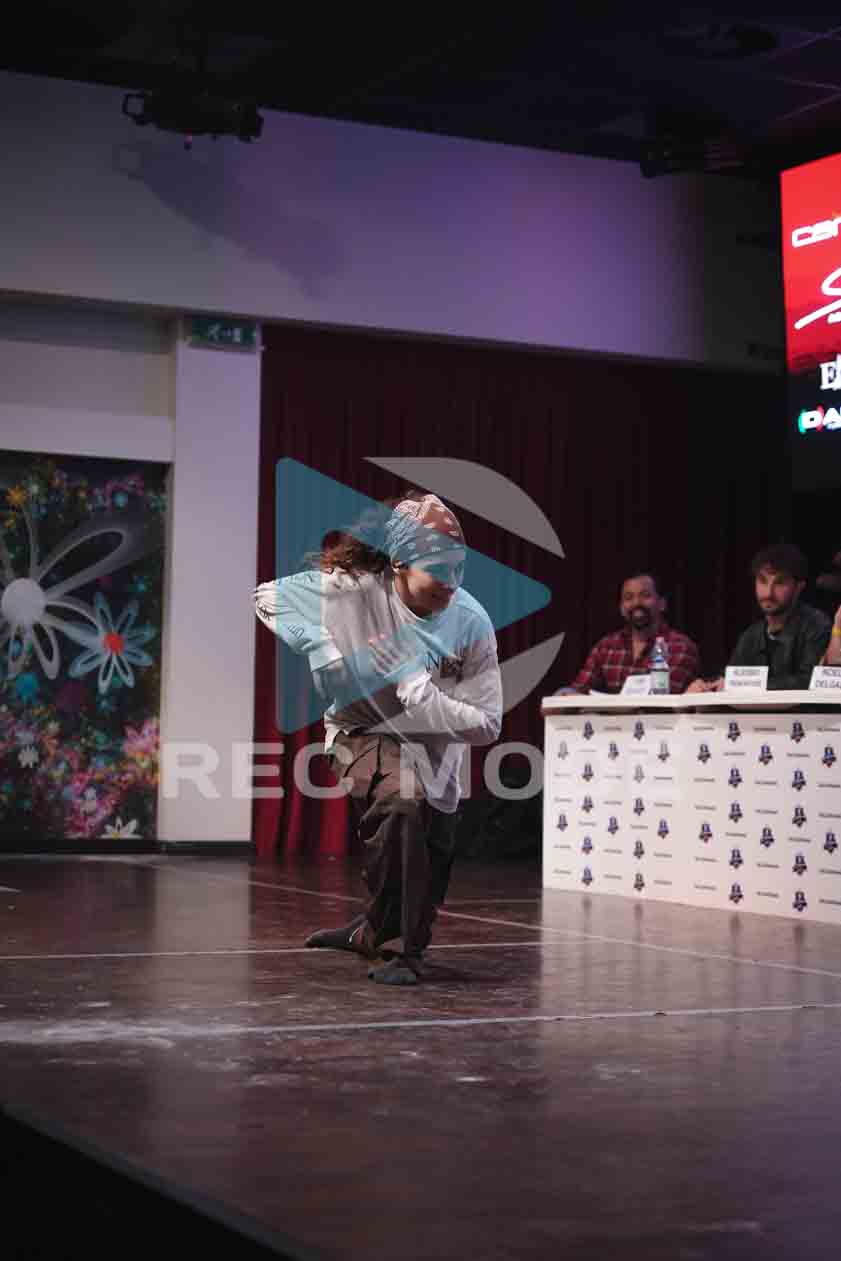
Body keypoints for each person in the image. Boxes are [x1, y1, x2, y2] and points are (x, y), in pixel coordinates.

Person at [254, 490, 502, 986]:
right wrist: (319, 645)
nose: (451, 583)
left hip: (434, 748)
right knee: (402, 798)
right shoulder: (353, 588)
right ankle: (397, 952)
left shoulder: (470, 621)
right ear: (399, 563)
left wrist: (415, 686)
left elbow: (488, 724)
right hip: (360, 728)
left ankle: (370, 932)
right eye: (438, 569)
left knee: (423, 884)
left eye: (459, 569)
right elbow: (267, 596)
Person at [688, 543, 831, 693]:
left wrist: (745, 685)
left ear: (798, 588)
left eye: (780, 583)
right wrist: (706, 686)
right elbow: (730, 678)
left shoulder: (816, 626)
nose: (768, 593)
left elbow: (811, 681)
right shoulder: (752, 635)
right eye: (762, 581)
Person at [564, 572, 700, 694]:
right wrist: (565, 694)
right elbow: (579, 689)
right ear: (622, 609)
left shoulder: (680, 647)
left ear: (662, 604)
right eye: (629, 598)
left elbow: (663, 699)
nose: (636, 603)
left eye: (645, 596)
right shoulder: (605, 647)